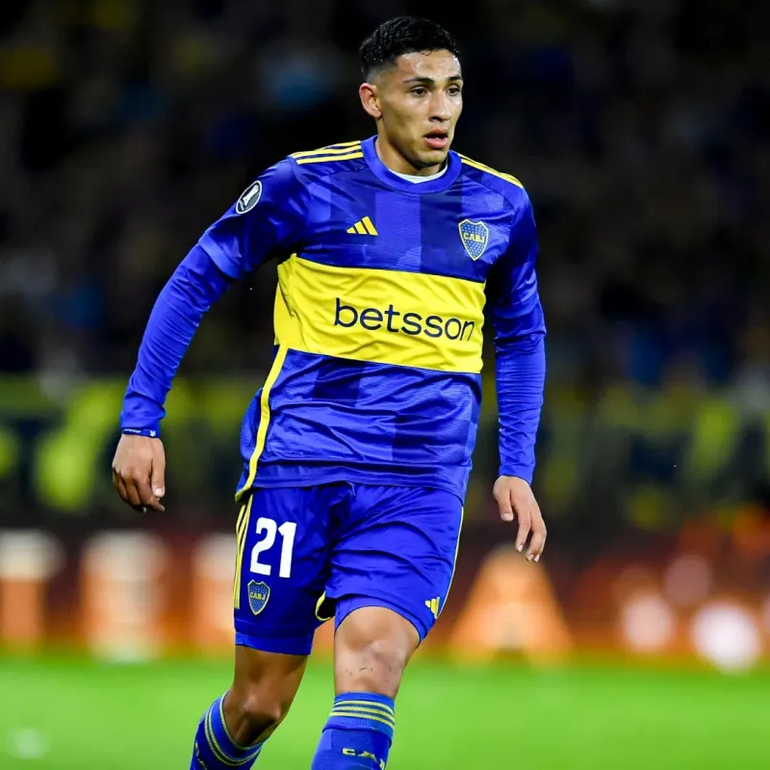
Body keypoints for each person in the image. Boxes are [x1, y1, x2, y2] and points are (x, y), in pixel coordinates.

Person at [112, 15, 547, 770]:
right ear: (373, 100)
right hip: (299, 465)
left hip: (420, 479)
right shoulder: (304, 184)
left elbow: (522, 335)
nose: (441, 109)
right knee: (258, 704)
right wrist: (140, 422)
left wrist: (516, 465)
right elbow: (193, 282)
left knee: (374, 665)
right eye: (419, 91)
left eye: (453, 90)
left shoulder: (500, 205)